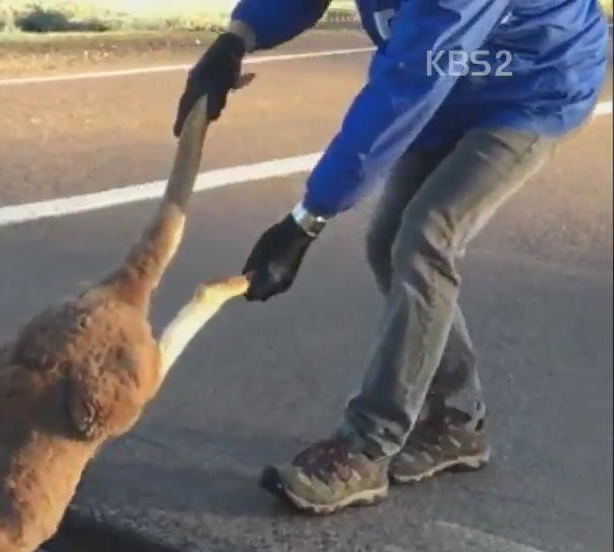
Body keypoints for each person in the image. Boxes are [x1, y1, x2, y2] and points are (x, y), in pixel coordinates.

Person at [173, 0, 610, 514]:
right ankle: (457, 420)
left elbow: (409, 82)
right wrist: (238, 37)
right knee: (386, 240)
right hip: (452, 81)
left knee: (426, 235)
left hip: (532, 84)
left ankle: (367, 445)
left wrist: (305, 222)